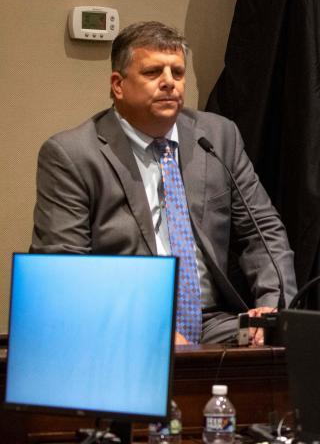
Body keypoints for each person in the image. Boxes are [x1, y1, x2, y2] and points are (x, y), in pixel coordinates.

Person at [31, 21, 297, 346]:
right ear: (118, 84)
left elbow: (262, 231)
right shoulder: (73, 155)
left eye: (178, 72)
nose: (169, 83)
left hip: (213, 321)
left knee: (297, 345)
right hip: (122, 329)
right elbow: (65, 270)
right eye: (153, 72)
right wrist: (148, 331)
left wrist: (271, 308)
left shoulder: (217, 137)